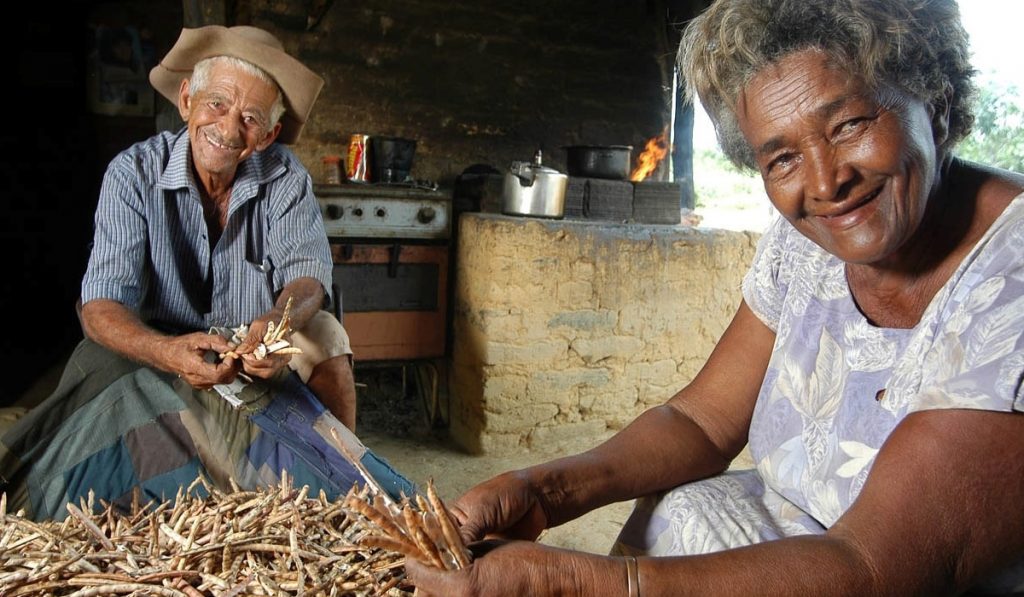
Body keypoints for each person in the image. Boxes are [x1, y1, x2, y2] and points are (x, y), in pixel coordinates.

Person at [405, 0, 1024, 595]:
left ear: (936, 102)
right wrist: (544, 490)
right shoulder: (805, 244)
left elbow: (875, 569)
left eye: (850, 125)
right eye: (782, 157)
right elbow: (701, 422)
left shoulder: (1012, 278)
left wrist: (567, 581)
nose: (826, 181)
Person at [0, 25, 413, 521]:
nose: (229, 129)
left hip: (250, 336)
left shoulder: (285, 177)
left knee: (325, 334)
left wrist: (275, 325)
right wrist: (169, 352)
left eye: (251, 118)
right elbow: (100, 308)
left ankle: (339, 490)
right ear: (186, 99)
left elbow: (307, 281)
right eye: (217, 104)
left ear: (269, 135)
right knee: (97, 364)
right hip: (157, 338)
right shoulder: (132, 173)